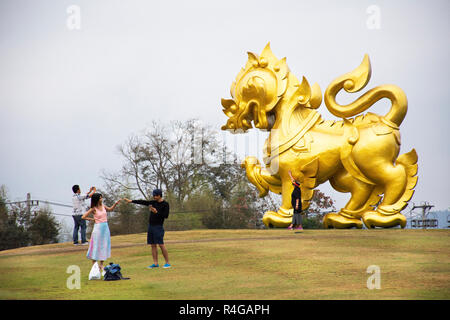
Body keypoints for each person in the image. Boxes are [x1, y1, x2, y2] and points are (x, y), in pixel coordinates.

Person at [123, 189, 171, 269]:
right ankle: (155, 263)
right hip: (150, 226)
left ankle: (167, 263)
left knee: (161, 244)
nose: (154, 197)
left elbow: (165, 216)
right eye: (153, 195)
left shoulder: (165, 204)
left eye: (155, 195)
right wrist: (131, 201)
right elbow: (143, 202)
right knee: (153, 245)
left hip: (158, 226)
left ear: (159, 195)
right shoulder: (153, 203)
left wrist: (156, 212)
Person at [82, 193, 120, 275]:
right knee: (96, 246)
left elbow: (110, 209)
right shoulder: (94, 209)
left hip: (105, 227)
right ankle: (94, 265)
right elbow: (83, 216)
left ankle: (101, 264)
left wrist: (115, 204)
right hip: (98, 229)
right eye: (100, 198)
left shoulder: (103, 206)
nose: (101, 199)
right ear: (96, 199)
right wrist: (92, 219)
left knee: (103, 245)